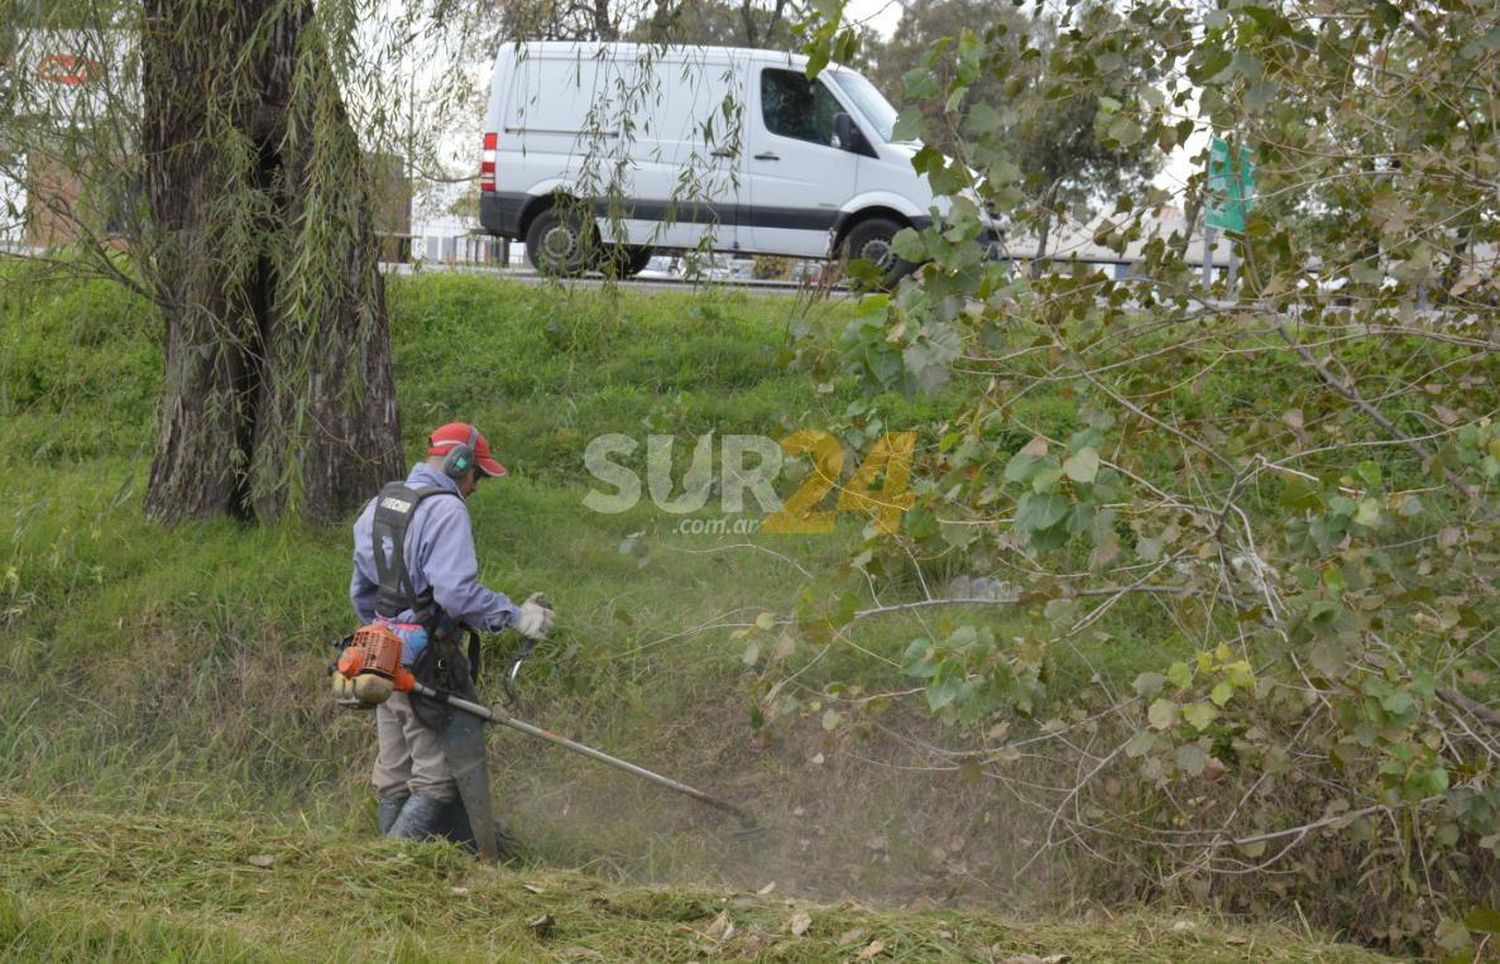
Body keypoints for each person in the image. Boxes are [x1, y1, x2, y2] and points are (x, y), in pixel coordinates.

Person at [349, 421, 555, 853]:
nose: (476, 485)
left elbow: (361, 592)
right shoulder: (446, 510)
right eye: (477, 474)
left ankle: (382, 860)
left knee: (394, 771)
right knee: (436, 778)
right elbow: (456, 593)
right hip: (429, 664)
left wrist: (388, 635)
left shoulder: (379, 504)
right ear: (458, 463)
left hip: (379, 659)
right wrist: (516, 616)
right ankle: (388, 865)